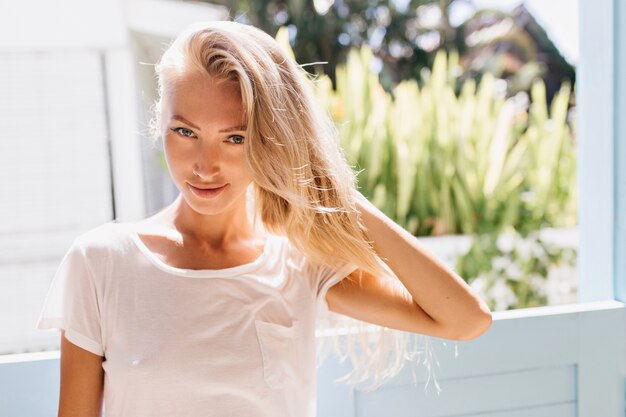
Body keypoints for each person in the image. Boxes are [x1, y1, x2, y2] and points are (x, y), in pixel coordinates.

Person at [36, 20, 492, 417]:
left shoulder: (301, 262)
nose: (205, 164)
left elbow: (465, 321)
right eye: (185, 131)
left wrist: (333, 188)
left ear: (271, 139)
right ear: (161, 123)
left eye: (235, 138)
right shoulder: (101, 262)